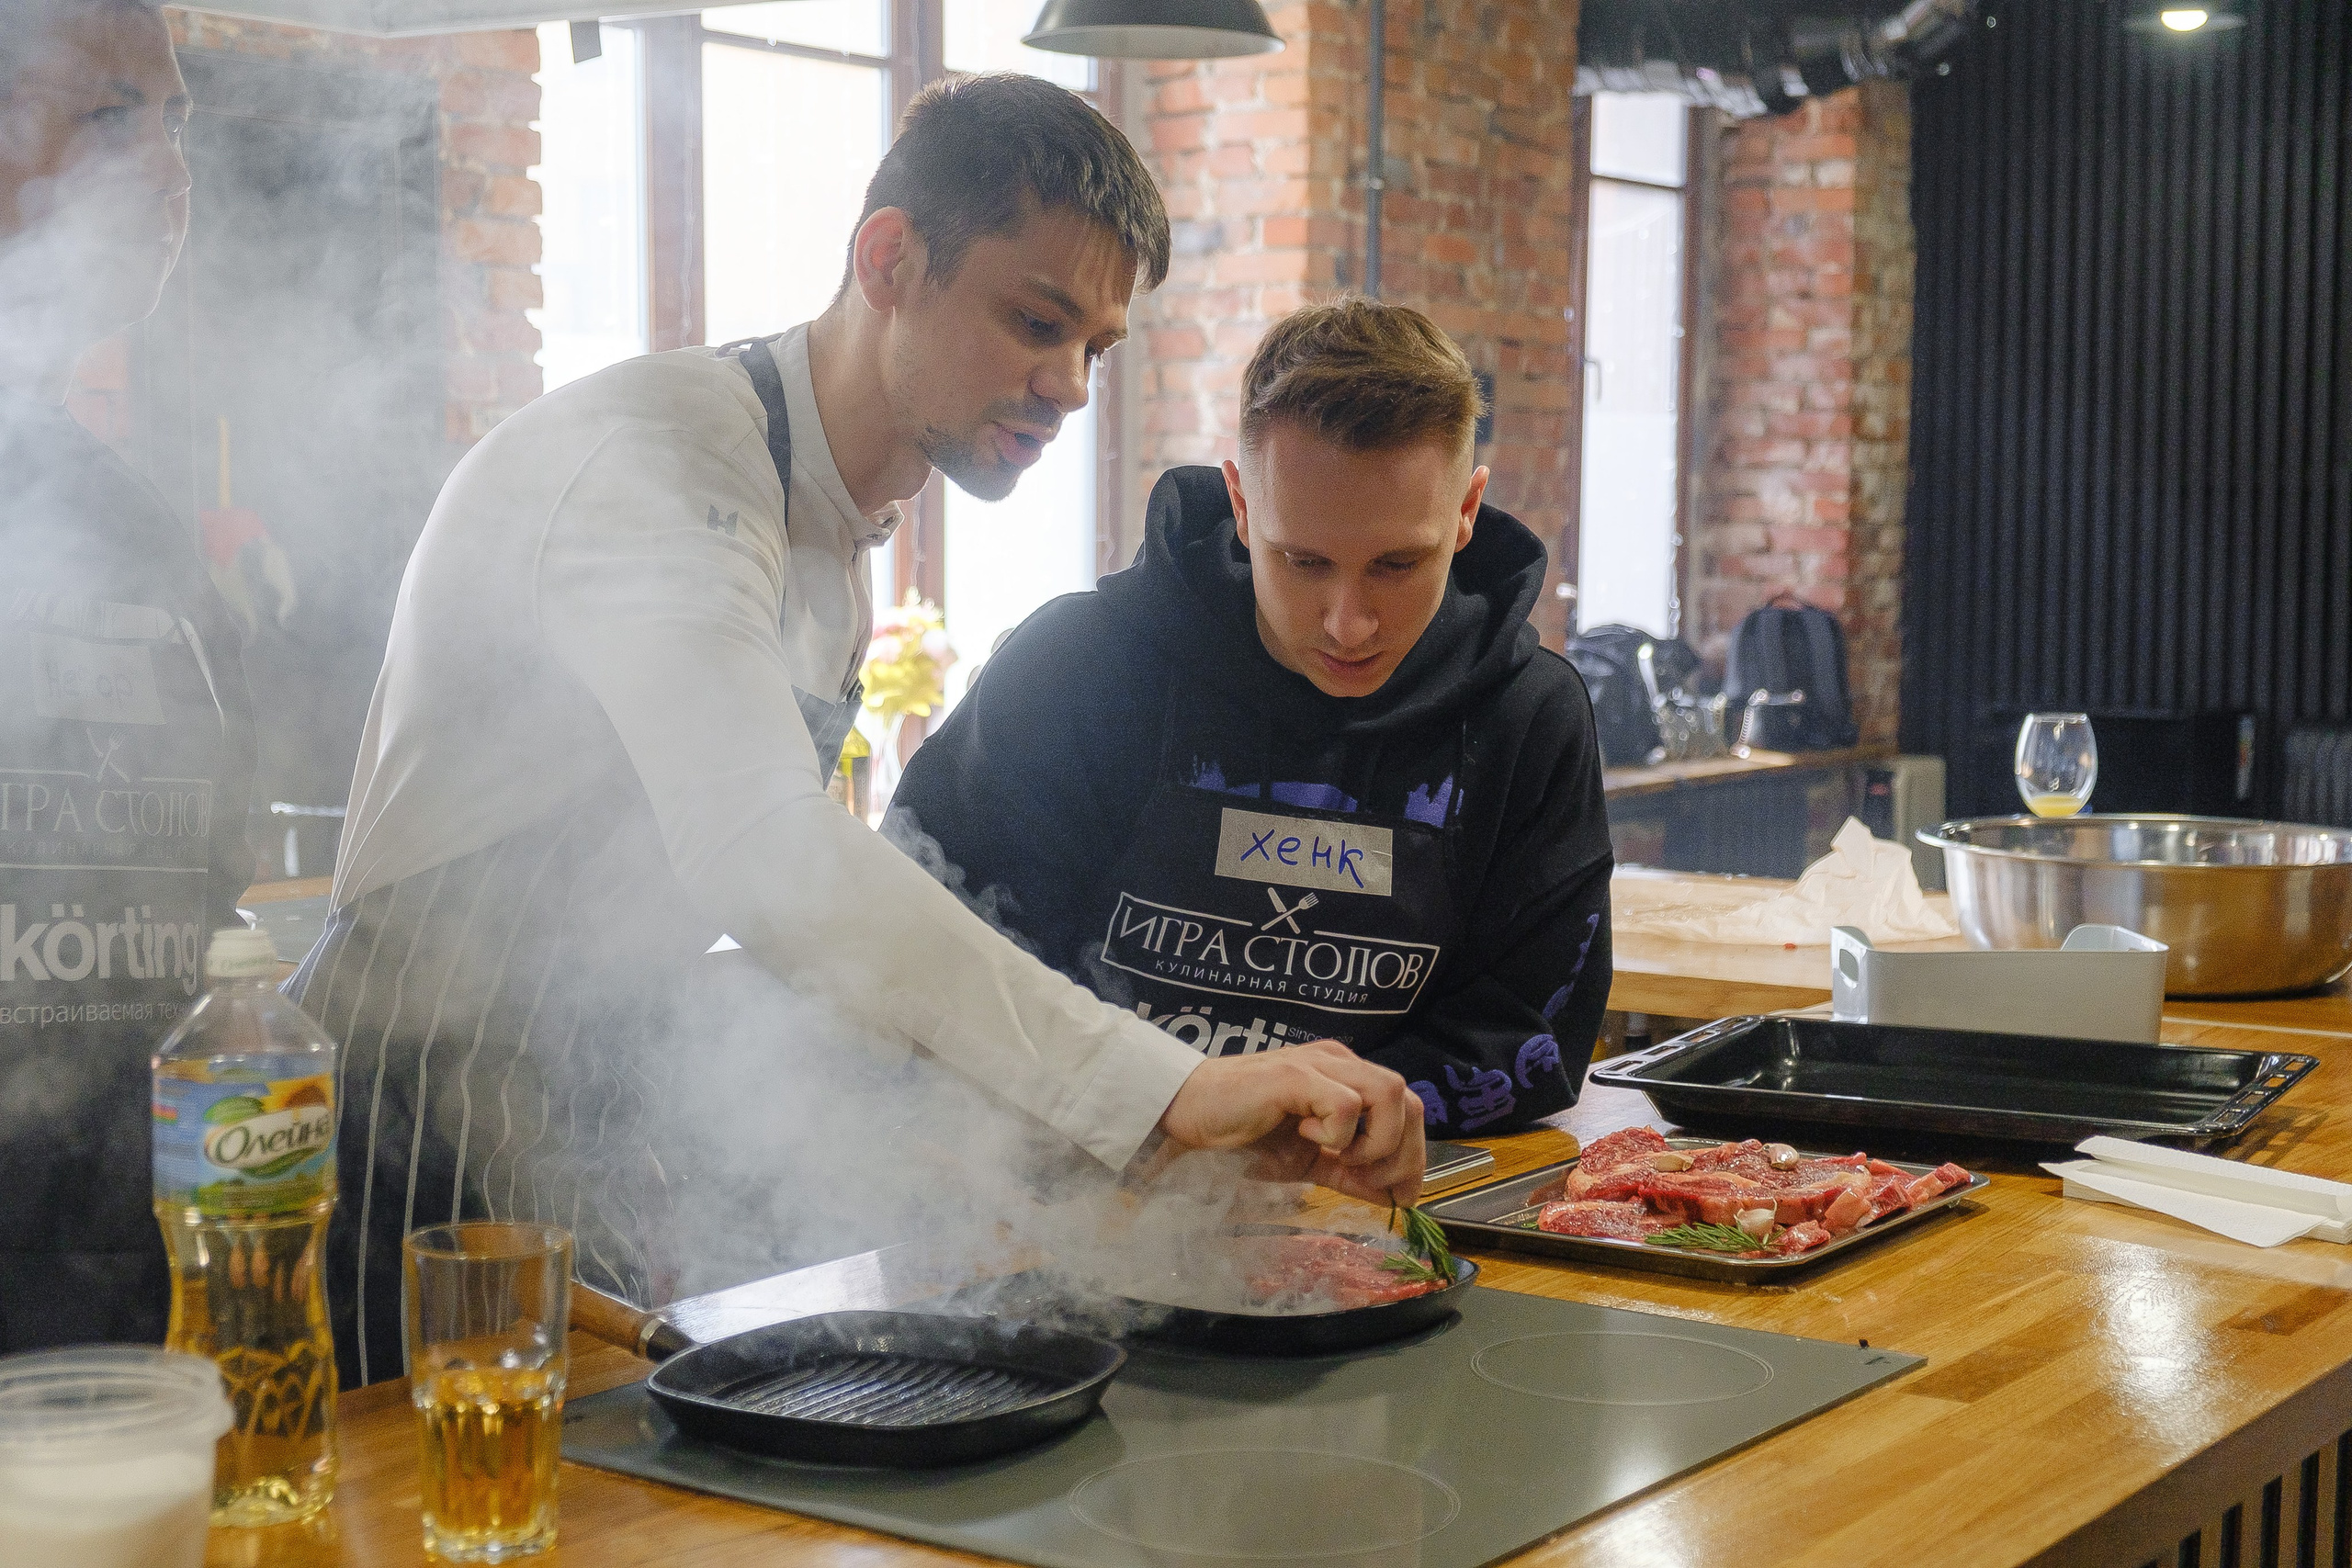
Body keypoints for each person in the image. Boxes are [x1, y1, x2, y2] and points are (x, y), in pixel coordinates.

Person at [288, 73, 1424, 1387]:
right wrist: (1158, 1090)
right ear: (891, 257)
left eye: (1097, 347)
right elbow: (765, 855)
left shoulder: (829, 535)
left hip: (572, 1129)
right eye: (1034, 320)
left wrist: (1078, 1146)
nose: (1067, 384)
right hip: (401, 1136)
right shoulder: (660, 466)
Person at [889, 299, 1613, 1134]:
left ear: (1465, 512)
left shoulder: (1531, 720)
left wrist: (1315, 1121)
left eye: (1397, 564)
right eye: (1303, 560)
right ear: (1239, 503)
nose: (1349, 622)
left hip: (1378, 1207)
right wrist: (1168, 1107)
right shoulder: (1079, 672)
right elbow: (940, 956)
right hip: (1074, 1185)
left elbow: (1533, 1033)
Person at [0, 0, 261, 1348]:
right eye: (109, 116)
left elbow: (208, 901)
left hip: (129, 1290)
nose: (165, 169)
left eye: (175, 121)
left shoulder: (130, 520)